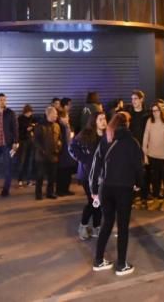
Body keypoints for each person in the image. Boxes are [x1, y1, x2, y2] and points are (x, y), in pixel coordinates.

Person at [89, 112, 143, 276]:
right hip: (124, 188)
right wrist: (139, 184)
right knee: (123, 226)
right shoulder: (132, 142)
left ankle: (99, 260)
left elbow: (95, 165)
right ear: (127, 124)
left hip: (105, 188)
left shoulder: (106, 139)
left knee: (107, 223)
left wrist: (93, 190)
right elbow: (138, 167)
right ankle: (121, 264)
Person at [71, 110, 107, 241]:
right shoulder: (86, 134)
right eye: (100, 119)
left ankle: (97, 227)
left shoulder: (107, 135)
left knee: (99, 202)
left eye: (104, 119)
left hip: (102, 175)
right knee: (93, 201)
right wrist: (85, 159)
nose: (104, 121)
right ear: (94, 121)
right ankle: (83, 226)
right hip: (88, 175)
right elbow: (72, 147)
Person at [141, 101, 164, 208]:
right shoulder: (150, 121)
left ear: (161, 110)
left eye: (157, 110)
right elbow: (145, 136)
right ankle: (156, 199)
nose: (154, 113)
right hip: (152, 155)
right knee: (154, 179)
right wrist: (145, 152)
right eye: (153, 111)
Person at [34, 106, 63, 200]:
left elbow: (59, 139)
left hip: (54, 155)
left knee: (52, 176)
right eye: (55, 114)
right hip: (42, 156)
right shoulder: (40, 126)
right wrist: (42, 150)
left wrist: (59, 146)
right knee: (40, 176)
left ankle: (50, 193)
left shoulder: (57, 126)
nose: (56, 116)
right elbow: (35, 140)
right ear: (48, 114)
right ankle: (38, 194)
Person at [56, 107, 77, 197]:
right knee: (62, 173)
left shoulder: (68, 126)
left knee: (67, 173)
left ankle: (66, 189)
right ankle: (60, 190)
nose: (68, 118)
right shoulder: (60, 127)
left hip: (68, 153)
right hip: (63, 153)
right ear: (61, 118)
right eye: (66, 117)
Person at [15, 104, 36, 186]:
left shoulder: (32, 118)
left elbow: (36, 126)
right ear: (25, 112)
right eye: (28, 112)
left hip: (31, 141)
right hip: (23, 141)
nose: (29, 114)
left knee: (30, 161)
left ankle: (29, 180)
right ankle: (20, 180)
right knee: (22, 161)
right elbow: (17, 130)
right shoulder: (20, 119)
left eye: (30, 112)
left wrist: (33, 127)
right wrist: (26, 129)